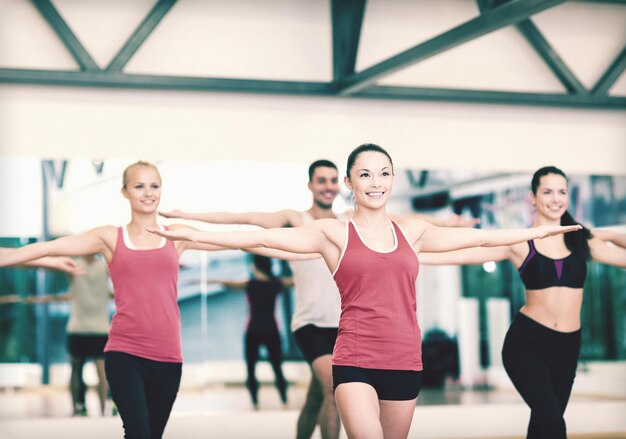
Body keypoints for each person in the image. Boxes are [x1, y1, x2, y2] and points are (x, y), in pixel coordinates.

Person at [148, 145, 581, 439]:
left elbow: (484, 240)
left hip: (404, 360)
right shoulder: (330, 232)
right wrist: (194, 232)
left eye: (385, 173)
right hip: (354, 358)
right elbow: (260, 240)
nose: (376, 181)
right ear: (351, 184)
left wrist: (537, 230)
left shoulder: (411, 231)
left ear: (392, 181)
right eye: (365, 174)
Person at [0, 161, 308, 439]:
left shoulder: (177, 236)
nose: (148, 193)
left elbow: (244, 241)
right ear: (125, 192)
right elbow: (48, 249)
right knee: (137, 431)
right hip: (124, 352)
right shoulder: (110, 237)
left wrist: (305, 248)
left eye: (154, 185)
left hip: (168, 356)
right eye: (139, 186)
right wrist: (6, 259)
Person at [419, 166, 626, 439]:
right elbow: (464, 253)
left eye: (562, 192)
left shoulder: (582, 242)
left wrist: (608, 234)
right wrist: (415, 256)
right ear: (533, 197)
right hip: (527, 344)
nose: (556, 199)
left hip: (567, 346)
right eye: (547, 192)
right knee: (554, 425)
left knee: (543, 425)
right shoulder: (519, 241)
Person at [25, 254, 113, 417]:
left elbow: (49, 267)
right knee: (101, 373)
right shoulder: (105, 267)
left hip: (79, 328)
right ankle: (102, 412)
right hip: (99, 328)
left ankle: (76, 410)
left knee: (76, 370)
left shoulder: (74, 265)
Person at [209, 254, 293, 408]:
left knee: (252, 368)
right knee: (276, 367)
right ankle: (284, 401)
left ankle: (256, 403)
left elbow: (229, 284)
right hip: (270, 330)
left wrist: (211, 280)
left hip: (254, 331)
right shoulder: (276, 284)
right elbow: (295, 282)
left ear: (256, 266)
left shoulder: (251, 284)